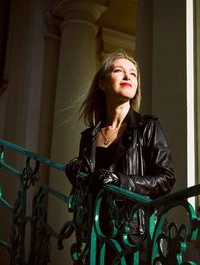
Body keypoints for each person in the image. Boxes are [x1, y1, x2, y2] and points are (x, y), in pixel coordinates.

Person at [65, 50, 175, 264]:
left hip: (137, 237)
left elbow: (166, 178)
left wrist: (120, 181)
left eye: (133, 74)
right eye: (119, 71)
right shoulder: (89, 137)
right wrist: (77, 175)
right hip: (99, 237)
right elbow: (91, 188)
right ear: (102, 83)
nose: (128, 77)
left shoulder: (148, 126)